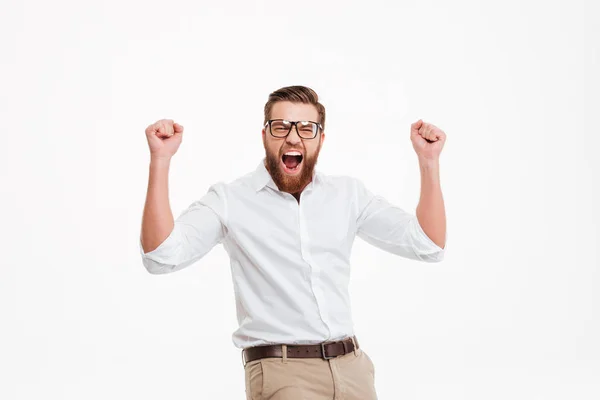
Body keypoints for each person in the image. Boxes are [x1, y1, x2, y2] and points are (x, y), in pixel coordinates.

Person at [139, 85, 447, 400]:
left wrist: (429, 162)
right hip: (283, 373)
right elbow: (161, 256)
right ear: (264, 136)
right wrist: (160, 160)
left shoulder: (348, 195)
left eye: (306, 128)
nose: (293, 136)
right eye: (281, 126)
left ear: (320, 140)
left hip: (353, 369)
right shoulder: (230, 200)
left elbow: (427, 246)